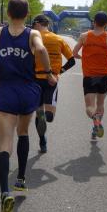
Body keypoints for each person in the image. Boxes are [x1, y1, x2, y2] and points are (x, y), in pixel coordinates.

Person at [0, 0, 53, 212]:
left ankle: (5, 192)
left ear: (9, 13)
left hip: (6, 91)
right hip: (28, 90)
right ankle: (21, 179)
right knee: (23, 133)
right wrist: (49, 73)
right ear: (27, 13)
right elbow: (41, 50)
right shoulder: (33, 34)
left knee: (5, 143)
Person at [32, 14, 76, 154]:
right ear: (48, 24)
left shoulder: (32, 38)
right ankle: (45, 118)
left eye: (33, 24)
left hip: (35, 79)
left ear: (38, 24)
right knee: (49, 116)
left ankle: (42, 141)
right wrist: (59, 72)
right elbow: (72, 61)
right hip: (52, 80)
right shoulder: (58, 39)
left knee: (39, 113)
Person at [72, 11, 107, 140]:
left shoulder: (84, 36)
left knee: (90, 107)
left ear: (94, 22)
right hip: (104, 76)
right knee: (100, 104)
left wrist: (83, 58)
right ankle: (95, 127)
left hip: (89, 76)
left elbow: (74, 53)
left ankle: (95, 119)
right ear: (106, 23)